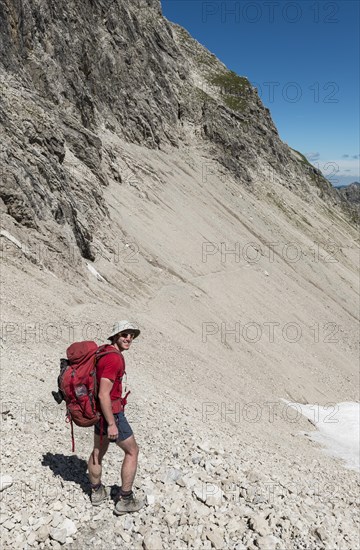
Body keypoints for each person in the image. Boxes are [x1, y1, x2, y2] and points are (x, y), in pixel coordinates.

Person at [87, 320, 144, 514]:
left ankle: (96, 492)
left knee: (98, 451)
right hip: (112, 413)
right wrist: (112, 423)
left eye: (131, 335)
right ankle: (125, 499)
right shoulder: (114, 358)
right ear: (115, 336)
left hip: (99, 413)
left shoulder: (103, 352)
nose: (128, 338)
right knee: (132, 451)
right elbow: (104, 393)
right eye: (124, 334)